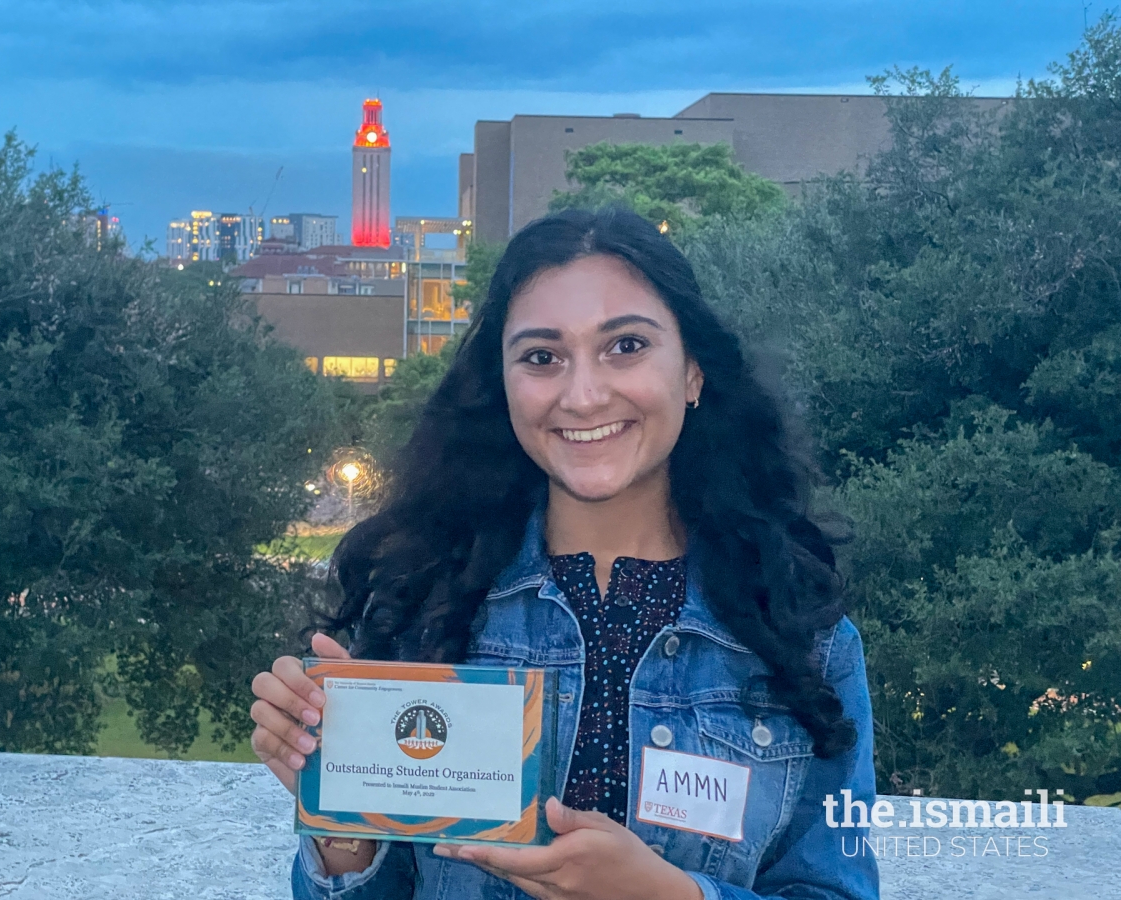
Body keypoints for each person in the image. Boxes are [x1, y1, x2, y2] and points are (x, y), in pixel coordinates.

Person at [250, 207, 880, 900]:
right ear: (504, 386)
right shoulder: (421, 606)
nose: (582, 395)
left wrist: (670, 896)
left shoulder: (805, 641)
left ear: (694, 371)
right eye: (542, 357)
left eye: (626, 346)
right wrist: (344, 823)